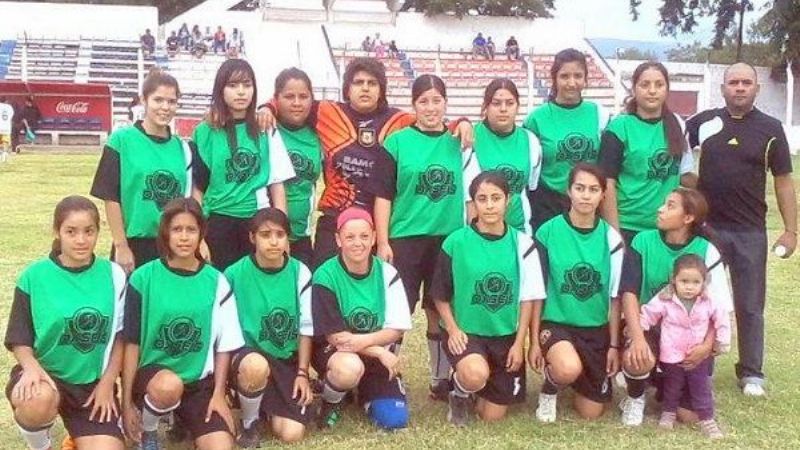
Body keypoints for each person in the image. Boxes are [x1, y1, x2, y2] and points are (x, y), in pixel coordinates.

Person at [258, 58, 472, 268]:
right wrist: (267, 107)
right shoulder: (326, 112)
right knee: (325, 283)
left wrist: (461, 123)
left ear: (381, 89)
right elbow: (291, 101)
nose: (365, 89)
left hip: (377, 224)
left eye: (372, 83)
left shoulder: (400, 121)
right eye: (358, 83)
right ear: (347, 88)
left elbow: (432, 121)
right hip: (335, 218)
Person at [686, 62, 797, 396]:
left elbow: (783, 182)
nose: (739, 88)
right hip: (707, 230)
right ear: (722, 88)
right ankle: (698, 365)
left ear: (756, 88)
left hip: (750, 231)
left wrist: (792, 230)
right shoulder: (703, 123)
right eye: (733, 82)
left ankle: (751, 373)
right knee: (700, 300)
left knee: (750, 304)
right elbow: (674, 153)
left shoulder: (771, 129)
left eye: (746, 82)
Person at [372, 74, 479, 401]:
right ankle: (389, 377)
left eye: (436, 100)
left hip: (447, 239)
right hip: (405, 238)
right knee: (398, 311)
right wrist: (383, 240)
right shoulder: (397, 142)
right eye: (423, 101)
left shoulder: (458, 141)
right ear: (413, 105)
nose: (431, 108)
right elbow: (383, 195)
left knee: (439, 307)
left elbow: (472, 194)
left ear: (446, 103)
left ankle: (439, 377)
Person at [5, 196, 127, 450]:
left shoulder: (114, 275)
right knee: (37, 401)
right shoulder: (34, 276)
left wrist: (107, 384)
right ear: (57, 232)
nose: (81, 240)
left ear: (98, 232)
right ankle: (41, 446)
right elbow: (19, 338)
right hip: (46, 374)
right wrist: (31, 368)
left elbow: (120, 337)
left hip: (90, 385)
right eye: (71, 231)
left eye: (88, 231)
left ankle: (76, 435)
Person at [121, 198, 244, 450]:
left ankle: (181, 420)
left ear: (202, 233)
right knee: (168, 386)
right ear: (165, 232)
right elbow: (131, 344)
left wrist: (219, 394)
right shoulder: (143, 278)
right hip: (153, 381)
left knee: (221, 446)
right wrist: (126, 403)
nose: (184, 237)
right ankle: (149, 430)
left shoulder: (216, 280)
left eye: (191, 230)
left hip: (198, 384)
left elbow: (225, 345)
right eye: (177, 229)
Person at [431, 172, 545, 425]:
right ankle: (460, 391)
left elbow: (529, 298)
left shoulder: (523, 243)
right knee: (474, 374)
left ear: (509, 201)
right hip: (467, 333)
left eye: (496, 198)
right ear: (474, 203)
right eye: (482, 199)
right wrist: (452, 329)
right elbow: (439, 294)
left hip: (504, 337)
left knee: (491, 416)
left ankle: (474, 385)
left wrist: (520, 343)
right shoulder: (456, 241)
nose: (490, 205)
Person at [618, 187, 731, 426]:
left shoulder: (707, 250)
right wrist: (637, 337)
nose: (660, 209)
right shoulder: (642, 241)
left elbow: (718, 309)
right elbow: (628, 293)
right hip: (651, 326)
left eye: (670, 206)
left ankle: (663, 386)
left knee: (689, 417)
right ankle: (635, 396)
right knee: (637, 356)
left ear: (688, 218)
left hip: (690, 336)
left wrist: (706, 346)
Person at [530, 163, 624, 422]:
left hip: (595, 329)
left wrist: (614, 345)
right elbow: (536, 293)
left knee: (591, 412)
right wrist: (534, 341)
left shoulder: (611, 239)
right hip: (557, 325)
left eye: (593, 189)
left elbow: (616, 298)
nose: (586, 195)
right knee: (567, 368)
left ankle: (577, 377)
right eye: (580, 188)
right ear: (569, 191)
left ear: (603, 195)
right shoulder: (547, 232)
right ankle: (550, 389)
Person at [311, 207, 412, 430]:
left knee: (395, 420)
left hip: (373, 353)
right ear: (338, 239)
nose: (358, 243)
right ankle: (332, 400)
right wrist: (378, 351)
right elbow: (335, 337)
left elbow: (396, 329)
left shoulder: (388, 273)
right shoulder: (324, 276)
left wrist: (367, 345)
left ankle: (361, 393)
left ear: (374, 237)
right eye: (350, 237)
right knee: (348, 368)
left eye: (364, 236)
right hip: (336, 352)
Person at [193, 59, 294, 271]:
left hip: (256, 221)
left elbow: (277, 186)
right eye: (233, 85)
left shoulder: (265, 128)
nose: (241, 92)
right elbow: (198, 189)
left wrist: (281, 231)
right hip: (218, 222)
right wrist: (199, 235)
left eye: (247, 85)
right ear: (221, 89)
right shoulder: (206, 131)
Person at [224, 208, 313, 446]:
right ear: (252, 238)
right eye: (265, 234)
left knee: (291, 434)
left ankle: (263, 405)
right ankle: (249, 421)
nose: (274, 242)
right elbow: (222, 335)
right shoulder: (233, 274)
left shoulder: (300, 272)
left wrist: (303, 372)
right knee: (255, 367)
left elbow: (306, 327)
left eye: (280, 234)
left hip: (285, 361)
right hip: (247, 358)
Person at [91, 69, 193, 274]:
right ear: (143, 100)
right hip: (134, 245)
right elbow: (111, 197)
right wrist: (121, 245)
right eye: (158, 100)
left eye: (171, 101)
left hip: (174, 246)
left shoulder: (184, 148)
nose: (165, 107)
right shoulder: (121, 140)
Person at [598, 61, 695, 244]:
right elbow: (607, 184)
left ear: (667, 89)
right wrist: (614, 233)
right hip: (628, 227)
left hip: (667, 226)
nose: (652, 91)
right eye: (645, 85)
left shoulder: (677, 124)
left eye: (659, 85)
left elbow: (685, 176)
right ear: (634, 89)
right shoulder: (620, 127)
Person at [640, 254, 731, 438]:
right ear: (673, 280)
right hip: (671, 353)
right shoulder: (665, 298)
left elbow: (721, 320)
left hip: (698, 355)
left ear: (704, 282)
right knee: (672, 386)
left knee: (700, 387)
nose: (689, 287)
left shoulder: (709, 300)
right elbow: (649, 313)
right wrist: (638, 328)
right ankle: (668, 414)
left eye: (695, 282)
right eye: (684, 281)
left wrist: (721, 342)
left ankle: (707, 419)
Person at [524, 49, 610, 232]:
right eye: (564, 76)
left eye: (578, 76)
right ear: (554, 79)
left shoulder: (599, 114)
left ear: (586, 79)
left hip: (589, 204)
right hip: (548, 205)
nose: (571, 83)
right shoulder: (536, 119)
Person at [474, 78, 542, 234]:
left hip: (519, 232)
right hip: (479, 233)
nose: (503, 109)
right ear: (486, 106)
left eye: (509, 103)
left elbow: (532, 187)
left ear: (518, 106)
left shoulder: (530, 140)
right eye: (496, 103)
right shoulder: (471, 137)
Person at [273, 68, 323, 268]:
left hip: (301, 236)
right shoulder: (265, 128)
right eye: (289, 96)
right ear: (276, 98)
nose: (296, 103)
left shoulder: (318, 134)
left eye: (303, 96)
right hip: (267, 235)